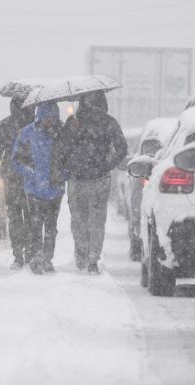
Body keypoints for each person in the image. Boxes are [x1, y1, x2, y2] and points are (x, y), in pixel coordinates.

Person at [56, 91, 128, 274]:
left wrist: (66, 168)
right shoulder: (108, 122)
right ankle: (93, 260)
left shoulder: (72, 122)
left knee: (78, 220)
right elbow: (122, 148)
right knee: (97, 221)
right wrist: (107, 165)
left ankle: (81, 255)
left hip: (77, 179)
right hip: (100, 179)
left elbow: (61, 149)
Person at [0, 96, 35, 269]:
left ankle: (19, 254)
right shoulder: (35, 125)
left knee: (15, 216)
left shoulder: (5, 125)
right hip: (32, 176)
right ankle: (30, 253)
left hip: (11, 176)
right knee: (32, 216)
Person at [11, 103, 65, 275]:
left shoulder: (61, 134)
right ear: (40, 116)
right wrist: (31, 174)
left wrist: (61, 175)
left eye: (53, 118)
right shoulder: (27, 133)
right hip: (34, 189)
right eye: (47, 117)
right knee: (34, 225)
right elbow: (16, 160)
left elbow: (70, 157)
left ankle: (47, 258)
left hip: (55, 189)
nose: (50, 121)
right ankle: (36, 257)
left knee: (51, 227)